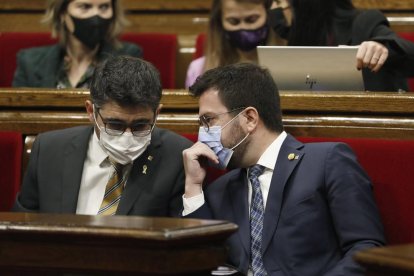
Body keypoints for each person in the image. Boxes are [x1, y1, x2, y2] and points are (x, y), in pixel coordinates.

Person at [182, 63, 385, 275]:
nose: (202, 134)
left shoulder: (326, 161)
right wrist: (194, 186)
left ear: (249, 118)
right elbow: (201, 262)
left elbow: (366, 248)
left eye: (208, 120)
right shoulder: (222, 188)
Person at [12, 56, 192, 217]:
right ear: (91, 111)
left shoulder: (178, 157)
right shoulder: (48, 150)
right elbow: (23, 229)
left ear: (157, 114)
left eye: (140, 125)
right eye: (115, 124)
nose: (127, 136)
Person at [268, 0, 414, 92]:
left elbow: (408, 53)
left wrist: (380, 46)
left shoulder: (364, 22)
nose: (274, 8)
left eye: (279, 2)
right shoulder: (300, 35)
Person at [12, 0, 142, 88]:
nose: (96, 15)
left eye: (104, 7)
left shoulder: (128, 57)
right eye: (85, 7)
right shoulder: (30, 62)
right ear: (62, 14)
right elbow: (16, 118)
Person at [185, 0, 283, 88]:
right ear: (220, 23)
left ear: (269, 15)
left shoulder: (287, 67)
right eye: (233, 21)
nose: (243, 27)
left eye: (252, 19)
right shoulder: (198, 69)